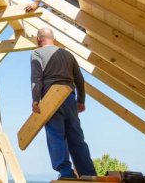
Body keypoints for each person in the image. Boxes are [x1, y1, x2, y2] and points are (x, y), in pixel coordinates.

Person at [30, 27, 97, 179]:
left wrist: (35, 100)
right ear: (52, 38)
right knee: (76, 137)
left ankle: (67, 173)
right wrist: (81, 100)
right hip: (69, 96)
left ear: (39, 39)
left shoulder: (37, 53)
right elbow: (80, 79)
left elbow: (36, 79)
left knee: (56, 135)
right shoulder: (68, 54)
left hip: (51, 97)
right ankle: (88, 172)